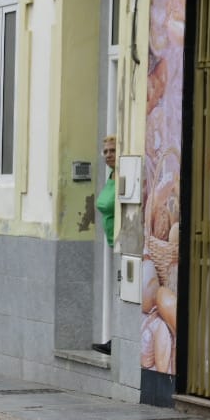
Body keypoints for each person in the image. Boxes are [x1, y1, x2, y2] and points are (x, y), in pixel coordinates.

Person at [92, 135, 118, 356]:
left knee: (121, 294)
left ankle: (115, 341)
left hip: (122, 243)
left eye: (113, 150)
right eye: (106, 151)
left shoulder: (123, 177)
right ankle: (112, 339)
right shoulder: (111, 176)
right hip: (111, 241)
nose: (108, 155)